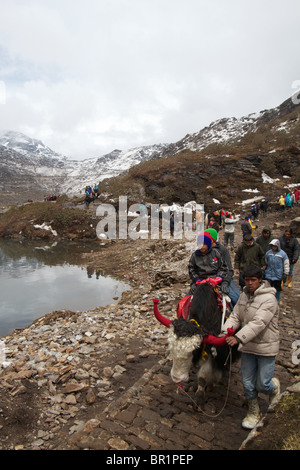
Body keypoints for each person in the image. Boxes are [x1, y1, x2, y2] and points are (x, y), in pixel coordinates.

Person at [220, 265, 280, 430]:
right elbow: (236, 315)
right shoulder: (244, 296)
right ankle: (254, 412)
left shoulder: (269, 299)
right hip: (248, 346)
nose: (250, 283)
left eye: (253, 280)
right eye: (247, 280)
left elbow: (259, 322)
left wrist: (238, 337)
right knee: (247, 382)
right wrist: (225, 331)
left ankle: (273, 387)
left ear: (260, 280)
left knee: (262, 384)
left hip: (265, 346)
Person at [206, 228, 240, 306]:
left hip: (222, 279)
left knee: (237, 300)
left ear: (212, 240)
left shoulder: (223, 250)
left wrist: (225, 282)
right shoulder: (202, 251)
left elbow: (229, 270)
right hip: (207, 280)